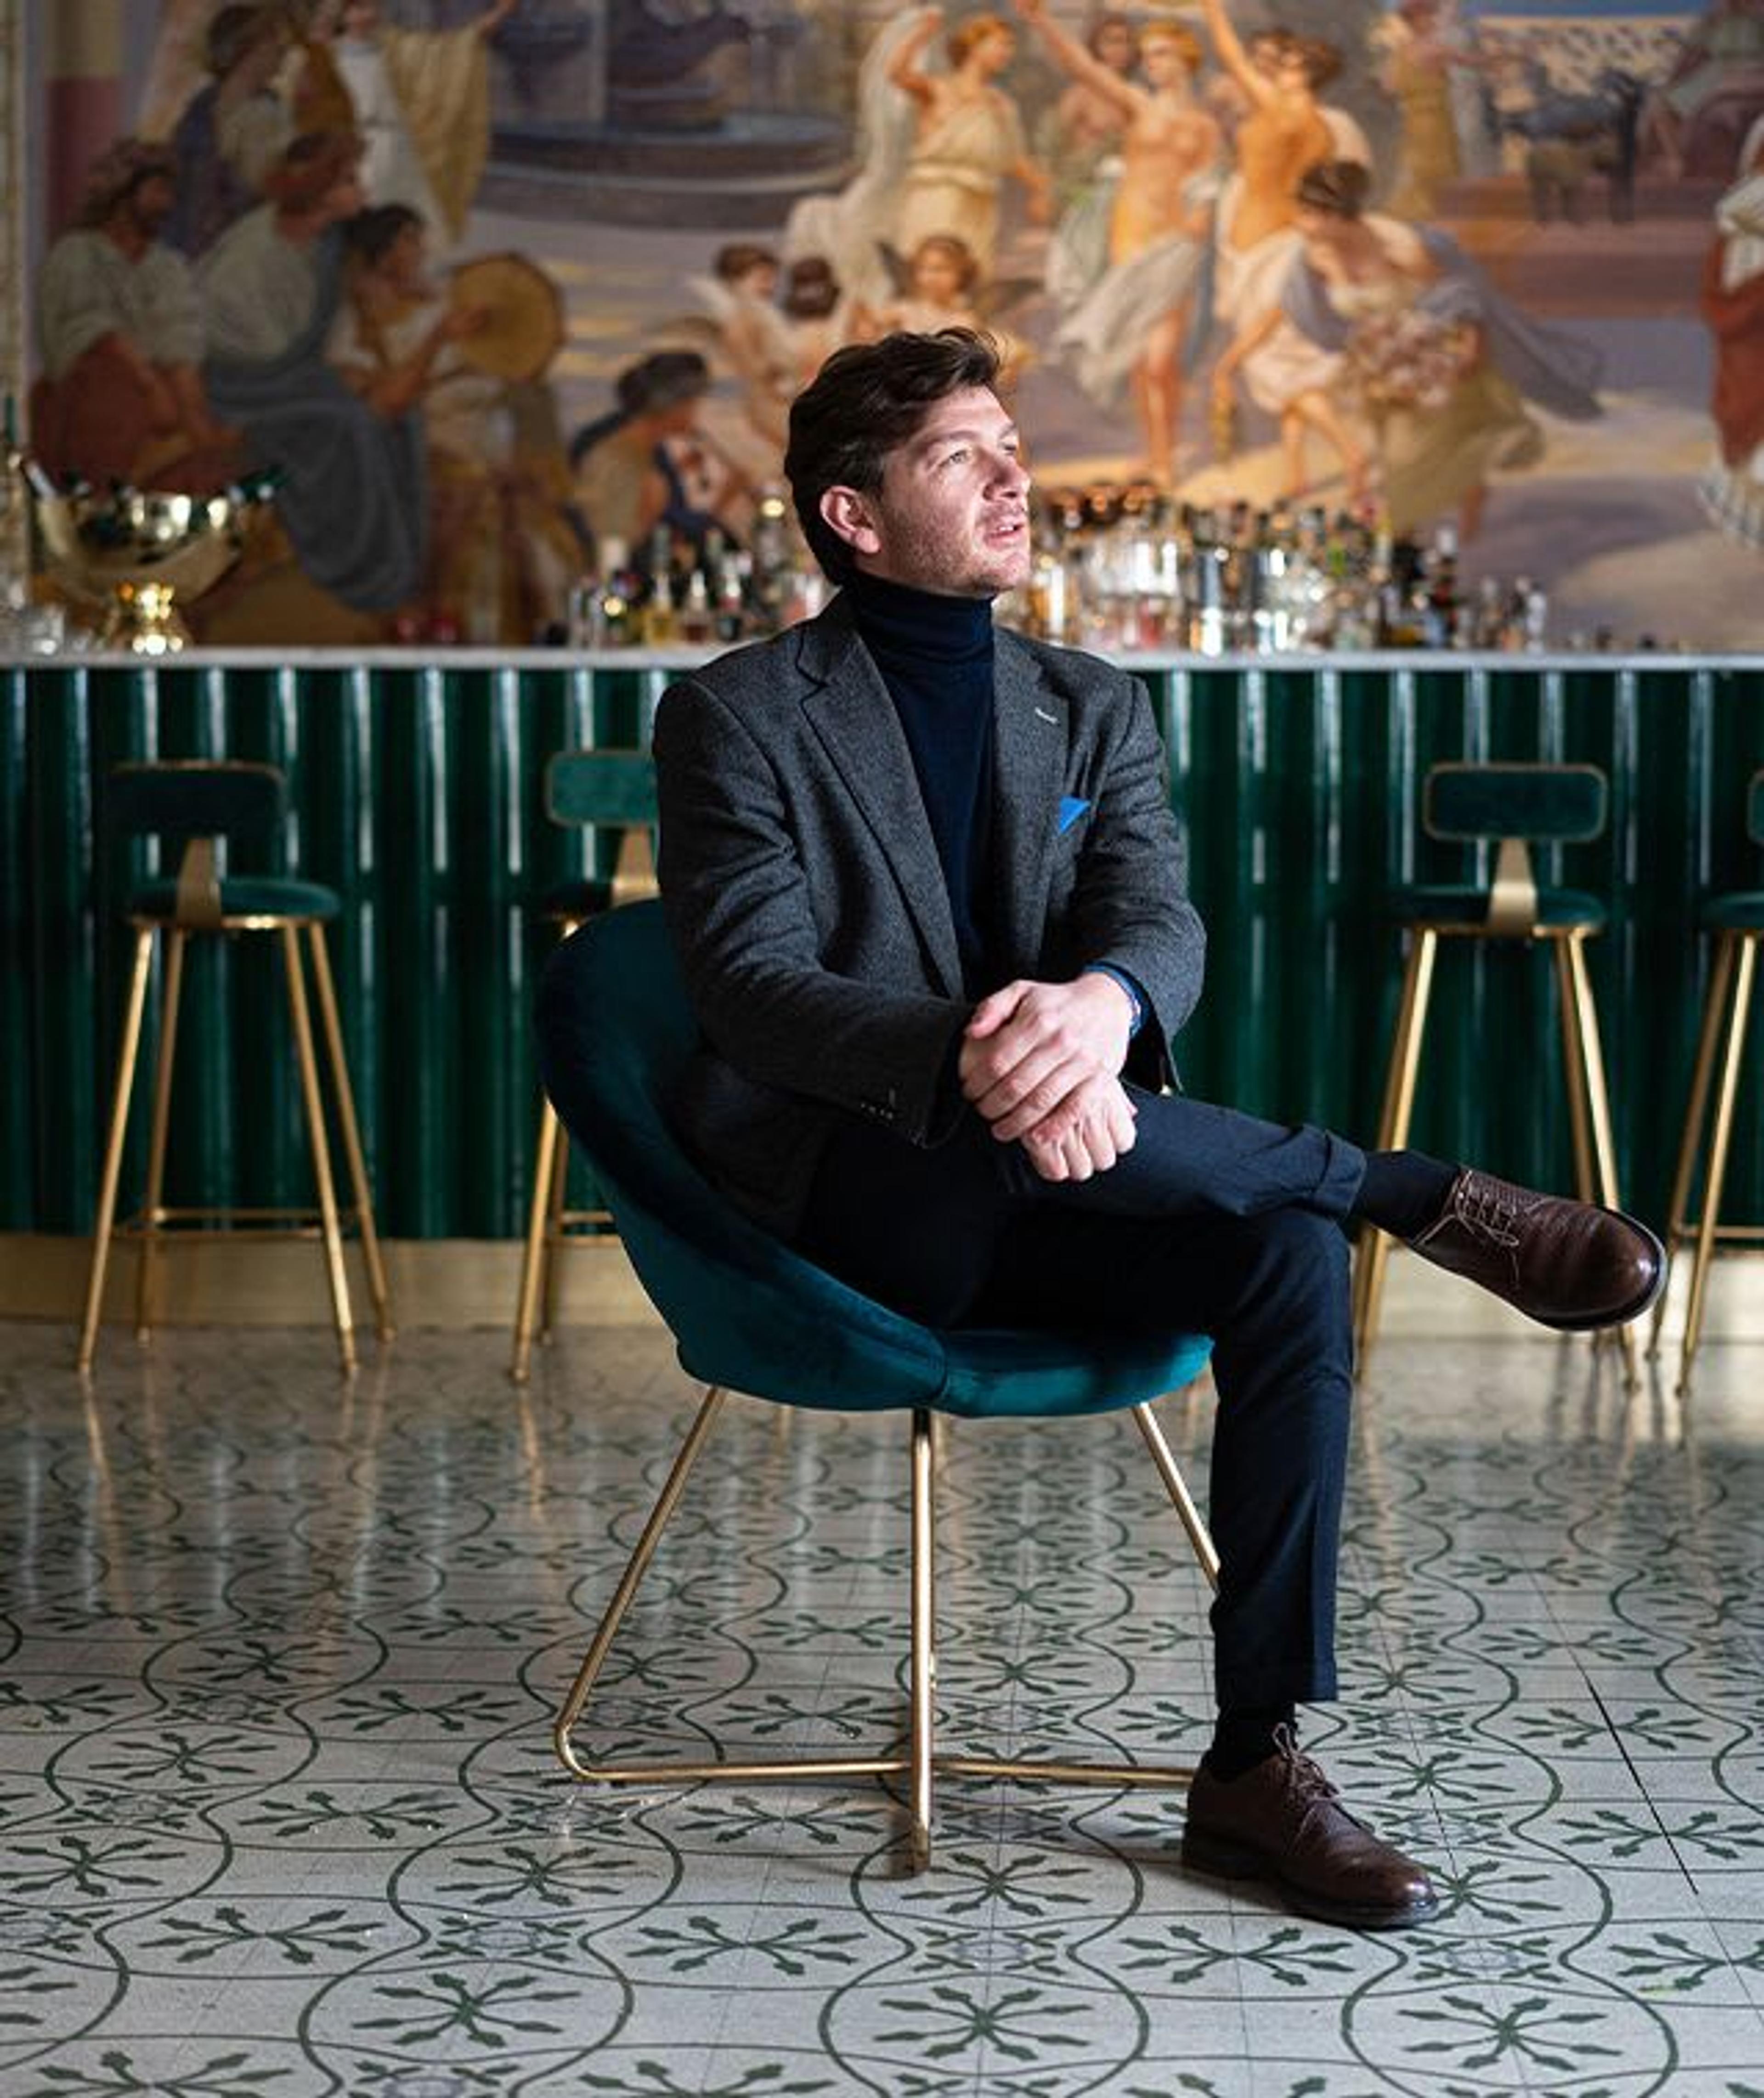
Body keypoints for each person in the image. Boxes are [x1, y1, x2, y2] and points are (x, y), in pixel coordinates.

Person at [542, 325, 1665, 1933]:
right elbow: (755, 989)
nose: (1014, 477)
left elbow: (1156, 917)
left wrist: (1104, 1007)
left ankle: (1253, 1760)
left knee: (1285, 1254)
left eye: (1011, 445)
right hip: (854, 1205)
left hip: (1072, 1169)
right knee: (1020, 1110)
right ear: (854, 515)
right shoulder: (736, 713)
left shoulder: (1087, 701)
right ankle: (1406, 1186)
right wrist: (997, 1045)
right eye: (960, 456)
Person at [1272, 158, 1602, 537]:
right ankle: (1438, 513)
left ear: (1337, 215)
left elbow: (1458, 293)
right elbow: (1317, 318)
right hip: (1382, 371)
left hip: (1436, 359)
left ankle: (1406, 528)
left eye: (1310, 214)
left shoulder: (1398, 244)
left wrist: (1467, 343)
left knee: (1413, 453)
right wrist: (1363, 349)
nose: (1300, 223)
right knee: (1396, 452)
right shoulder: (1312, 259)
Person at [200, 129, 428, 615]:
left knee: (402, 417)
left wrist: (335, 371)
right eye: (349, 181)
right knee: (350, 420)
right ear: (319, 190)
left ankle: (401, 565)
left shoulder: (325, 244)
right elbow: (257, 356)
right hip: (243, 388)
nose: (362, 191)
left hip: (293, 376)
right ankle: (355, 564)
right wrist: (330, 379)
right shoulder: (249, 258)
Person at [1015, 0, 1221, 485]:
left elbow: (1210, 180)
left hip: (1175, 245)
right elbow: (1082, 68)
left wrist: (1202, 215)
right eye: (1148, 56)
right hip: (1129, 238)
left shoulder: (1205, 125)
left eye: (1163, 54)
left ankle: (1165, 454)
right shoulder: (1137, 105)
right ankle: (1154, 452)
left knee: (1161, 359)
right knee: (1138, 358)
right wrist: (1042, 21)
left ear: (1187, 58)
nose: (1153, 64)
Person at [32, 138, 236, 492]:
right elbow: (91, 330)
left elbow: (178, 344)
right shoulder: (78, 254)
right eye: (157, 191)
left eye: (170, 194)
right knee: (116, 401)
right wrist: (150, 387)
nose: (166, 204)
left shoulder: (167, 266)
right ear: (124, 192)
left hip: (160, 391)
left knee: (204, 450)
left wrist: (194, 419)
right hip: (92, 391)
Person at [888, 7, 1052, 277]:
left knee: (970, 280)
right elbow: (896, 73)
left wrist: (1041, 188)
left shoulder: (1001, 104)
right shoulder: (937, 89)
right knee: (930, 273)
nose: (1007, 53)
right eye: (1001, 44)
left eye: (1011, 46)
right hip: (937, 197)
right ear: (975, 45)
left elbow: (1014, 158)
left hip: (979, 205)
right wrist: (922, 33)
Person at [163, 2, 295, 259]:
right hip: (205, 251)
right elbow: (186, 199)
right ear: (246, 50)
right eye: (272, 40)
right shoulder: (200, 116)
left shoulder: (274, 107)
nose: (282, 49)